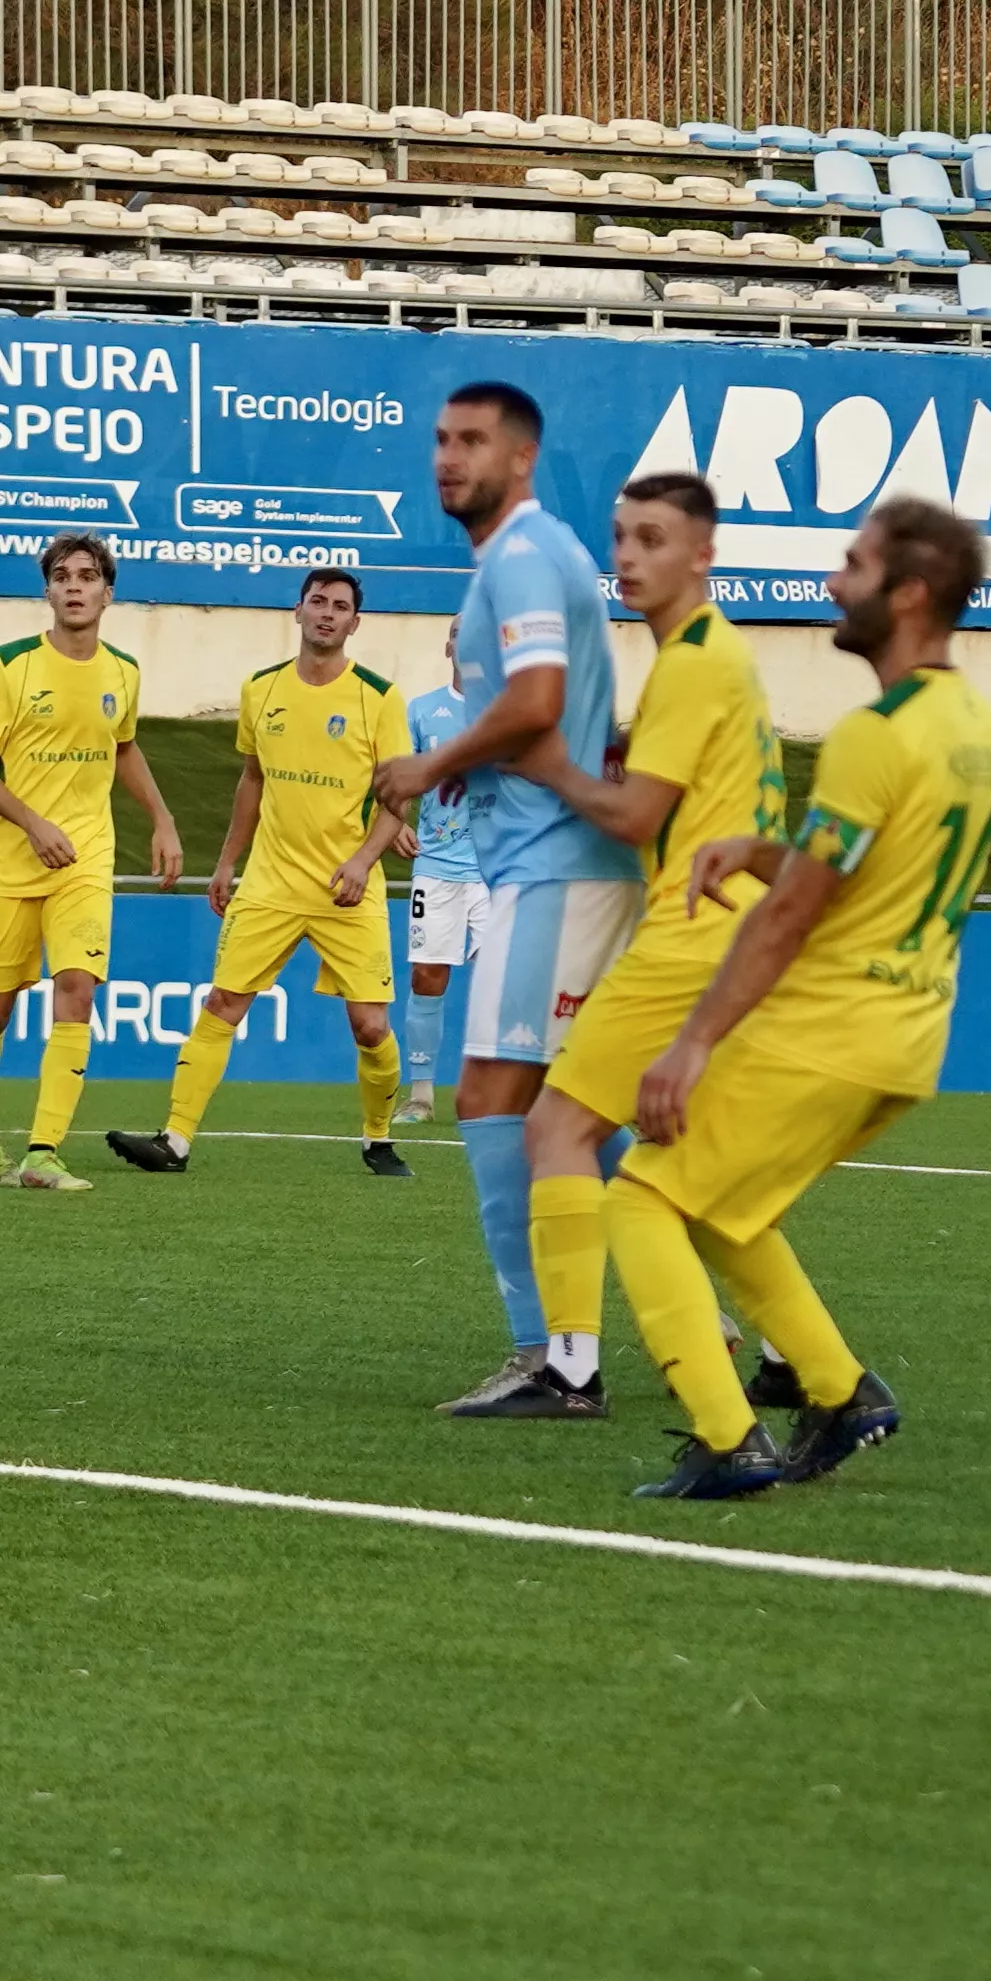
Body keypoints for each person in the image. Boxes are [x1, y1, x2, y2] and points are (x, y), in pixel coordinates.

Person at [601, 499, 991, 1499]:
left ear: (907, 593)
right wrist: (763, 848)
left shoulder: (879, 730)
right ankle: (840, 1390)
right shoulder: (972, 725)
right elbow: (860, 872)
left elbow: (788, 919)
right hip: (906, 1038)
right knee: (723, 1211)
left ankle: (728, 1437)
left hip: (829, 1025)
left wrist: (689, 1044)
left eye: (853, 564)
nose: (834, 580)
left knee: (644, 1194)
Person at [510, 472, 796, 1422]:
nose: (627, 556)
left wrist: (546, 760)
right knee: (698, 1166)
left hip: (690, 931)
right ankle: (799, 1359)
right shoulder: (717, 658)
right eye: (621, 536)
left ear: (701, 556)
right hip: (740, 926)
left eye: (652, 538)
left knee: (558, 1127)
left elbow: (637, 815)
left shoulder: (690, 664)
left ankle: (570, 1367)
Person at [369, 384, 629, 1419]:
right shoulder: (532, 555)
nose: (447, 457)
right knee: (570, 1108)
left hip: (550, 868)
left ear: (520, 457)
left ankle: (554, 1356)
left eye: (470, 441)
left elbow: (537, 704)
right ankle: (695, 1287)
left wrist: (434, 762)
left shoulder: (523, 554)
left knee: (492, 1097)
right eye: (439, 439)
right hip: (554, 864)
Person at [104, 567, 411, 1178]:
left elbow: (398, 801)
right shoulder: (261, 689)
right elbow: (252, 780)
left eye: (340, 606)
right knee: (222, 1003)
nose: (327, 613)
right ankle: (175, 1141)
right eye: (317, 602)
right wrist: (226, 861)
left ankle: (379, 1137)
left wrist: (361, 861)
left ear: (355, 623)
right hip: (270, 882)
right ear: (297, 612)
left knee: (371, 1026)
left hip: (347, 889)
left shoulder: (379, 697)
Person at [0, 534, 182, 1193]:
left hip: (84, 855)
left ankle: (43, 1152)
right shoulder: (10, 666)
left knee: (76, 989)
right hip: (5, 861)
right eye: (61, 576)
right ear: (47, 591)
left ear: (107, 591)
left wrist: (162, 818)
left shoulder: (122, 671)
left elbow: (125, 747)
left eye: (87, 576)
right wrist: (31, 822)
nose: (74, 586)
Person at [394, 629, 477, 1129]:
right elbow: (393, 777)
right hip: (438, 866)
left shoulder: (513, 712)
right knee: (428, 976)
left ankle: (512, 1094)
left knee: (506, 981)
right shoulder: (423, 711)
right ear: (447, 646)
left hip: (499, 869)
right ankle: (421, 1096)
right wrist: (395, 822)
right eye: (457, 635)